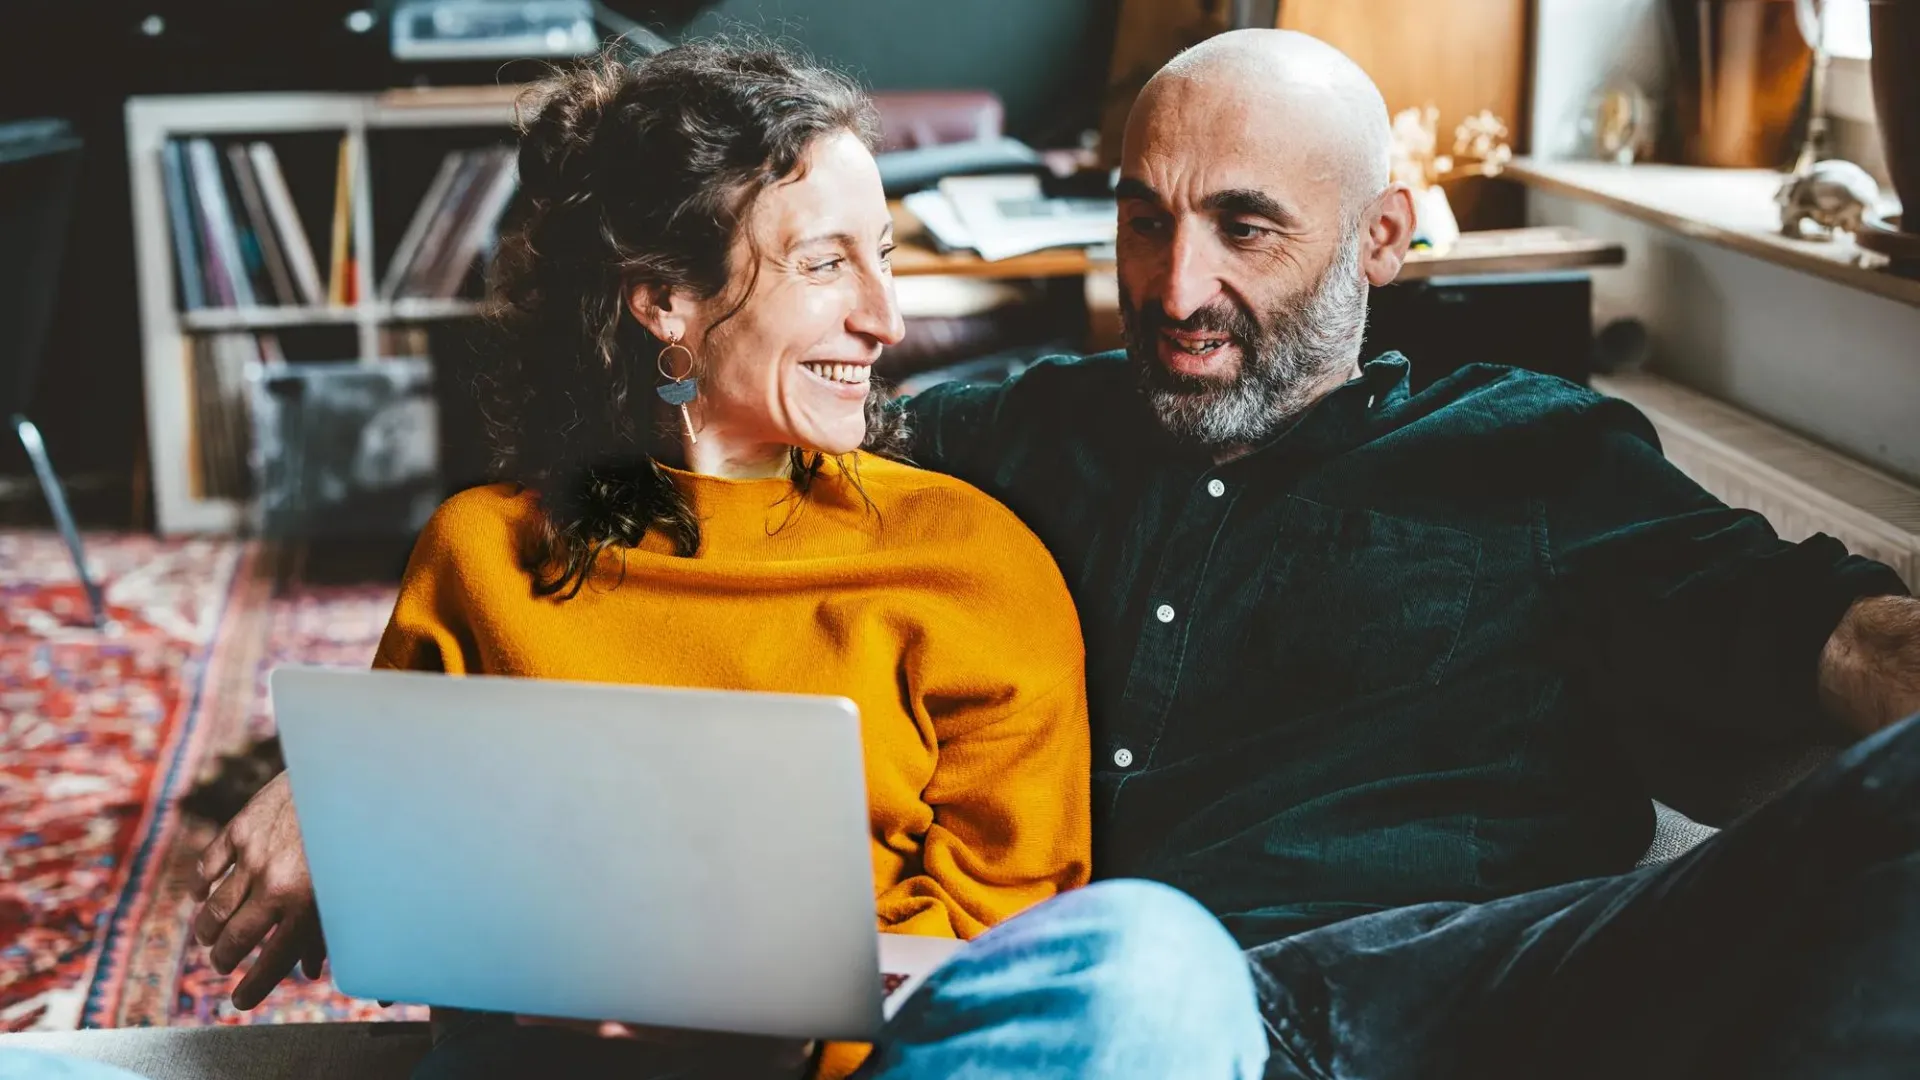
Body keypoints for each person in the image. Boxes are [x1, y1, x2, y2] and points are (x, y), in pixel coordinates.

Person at [186, 42, 1266, 1080]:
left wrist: (788, 1035)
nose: (885, 318)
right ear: (665, 300)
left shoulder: (973, 564)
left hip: (879, 1064)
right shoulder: (482, 553)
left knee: (1152, 957)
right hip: (551, 1063)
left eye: (881, 255)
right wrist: (339, 807)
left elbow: (1011, 926)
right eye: (824, 262)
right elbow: (430, 916)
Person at [896, 28, 1920, 1079]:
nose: (1173, 286)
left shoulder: (1529, 449)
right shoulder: (1026, 432)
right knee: (1141, 954)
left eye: (1244, 228)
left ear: (1381, 237)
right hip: (1125, 1005)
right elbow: (799, 440)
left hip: (1453, 1000)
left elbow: (1812, 621)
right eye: (1145, 221)